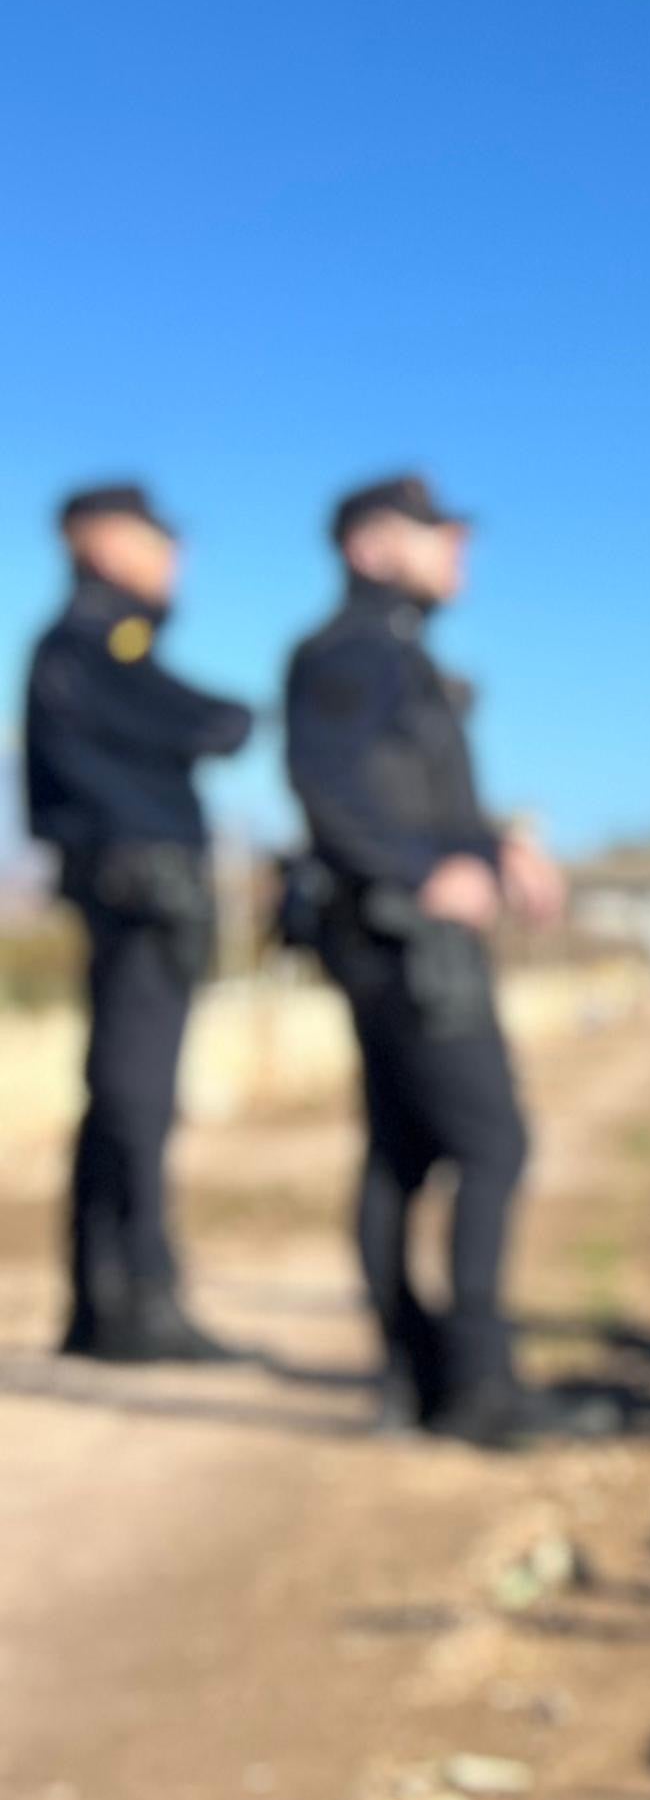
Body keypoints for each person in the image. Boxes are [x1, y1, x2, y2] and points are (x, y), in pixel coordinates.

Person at [283, 473, 566, 1443]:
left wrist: (494, 851)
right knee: (492, 1142)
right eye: (437, 534)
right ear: (370, 546)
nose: (459, 552)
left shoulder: (399, 653)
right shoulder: (350, 651)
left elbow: (414, 801)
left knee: (403, 1153)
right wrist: (425, 873)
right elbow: (325, 789)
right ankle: (478, 1387)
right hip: (404, 940)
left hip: (402, 932)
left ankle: (413, 1380)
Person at [23, 483, 254, 1361]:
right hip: (138, 892)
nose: (175, 561)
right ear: (104, 543)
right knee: (135, 1095)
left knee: (123, 1093)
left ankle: (101, 1304)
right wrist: (206, 726)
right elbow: (206, 721)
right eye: (159, 542)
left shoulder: (103, 647)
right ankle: (139, 1304)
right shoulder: (87, 644)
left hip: (135, 889)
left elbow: (206, 720)